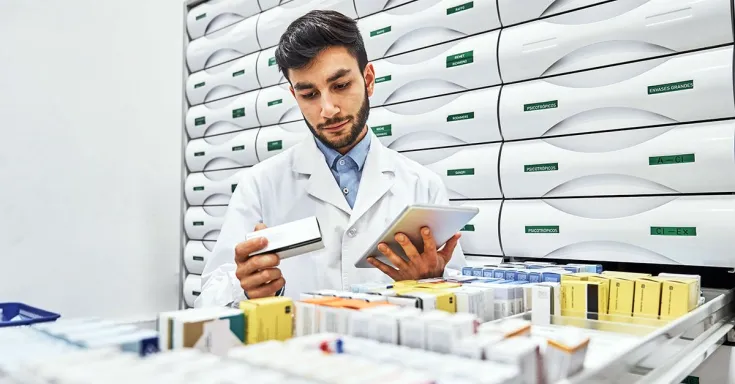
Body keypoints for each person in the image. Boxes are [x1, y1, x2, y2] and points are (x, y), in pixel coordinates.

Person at [195, 10, 467, 308]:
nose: (328, 109)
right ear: (295, 95)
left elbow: (460, 303)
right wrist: (246, 290)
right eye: (309, 94)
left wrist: (430, 284)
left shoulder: (421, 185)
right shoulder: (261, 185)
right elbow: (208, 299)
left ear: (369, 79)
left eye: (340, 86)